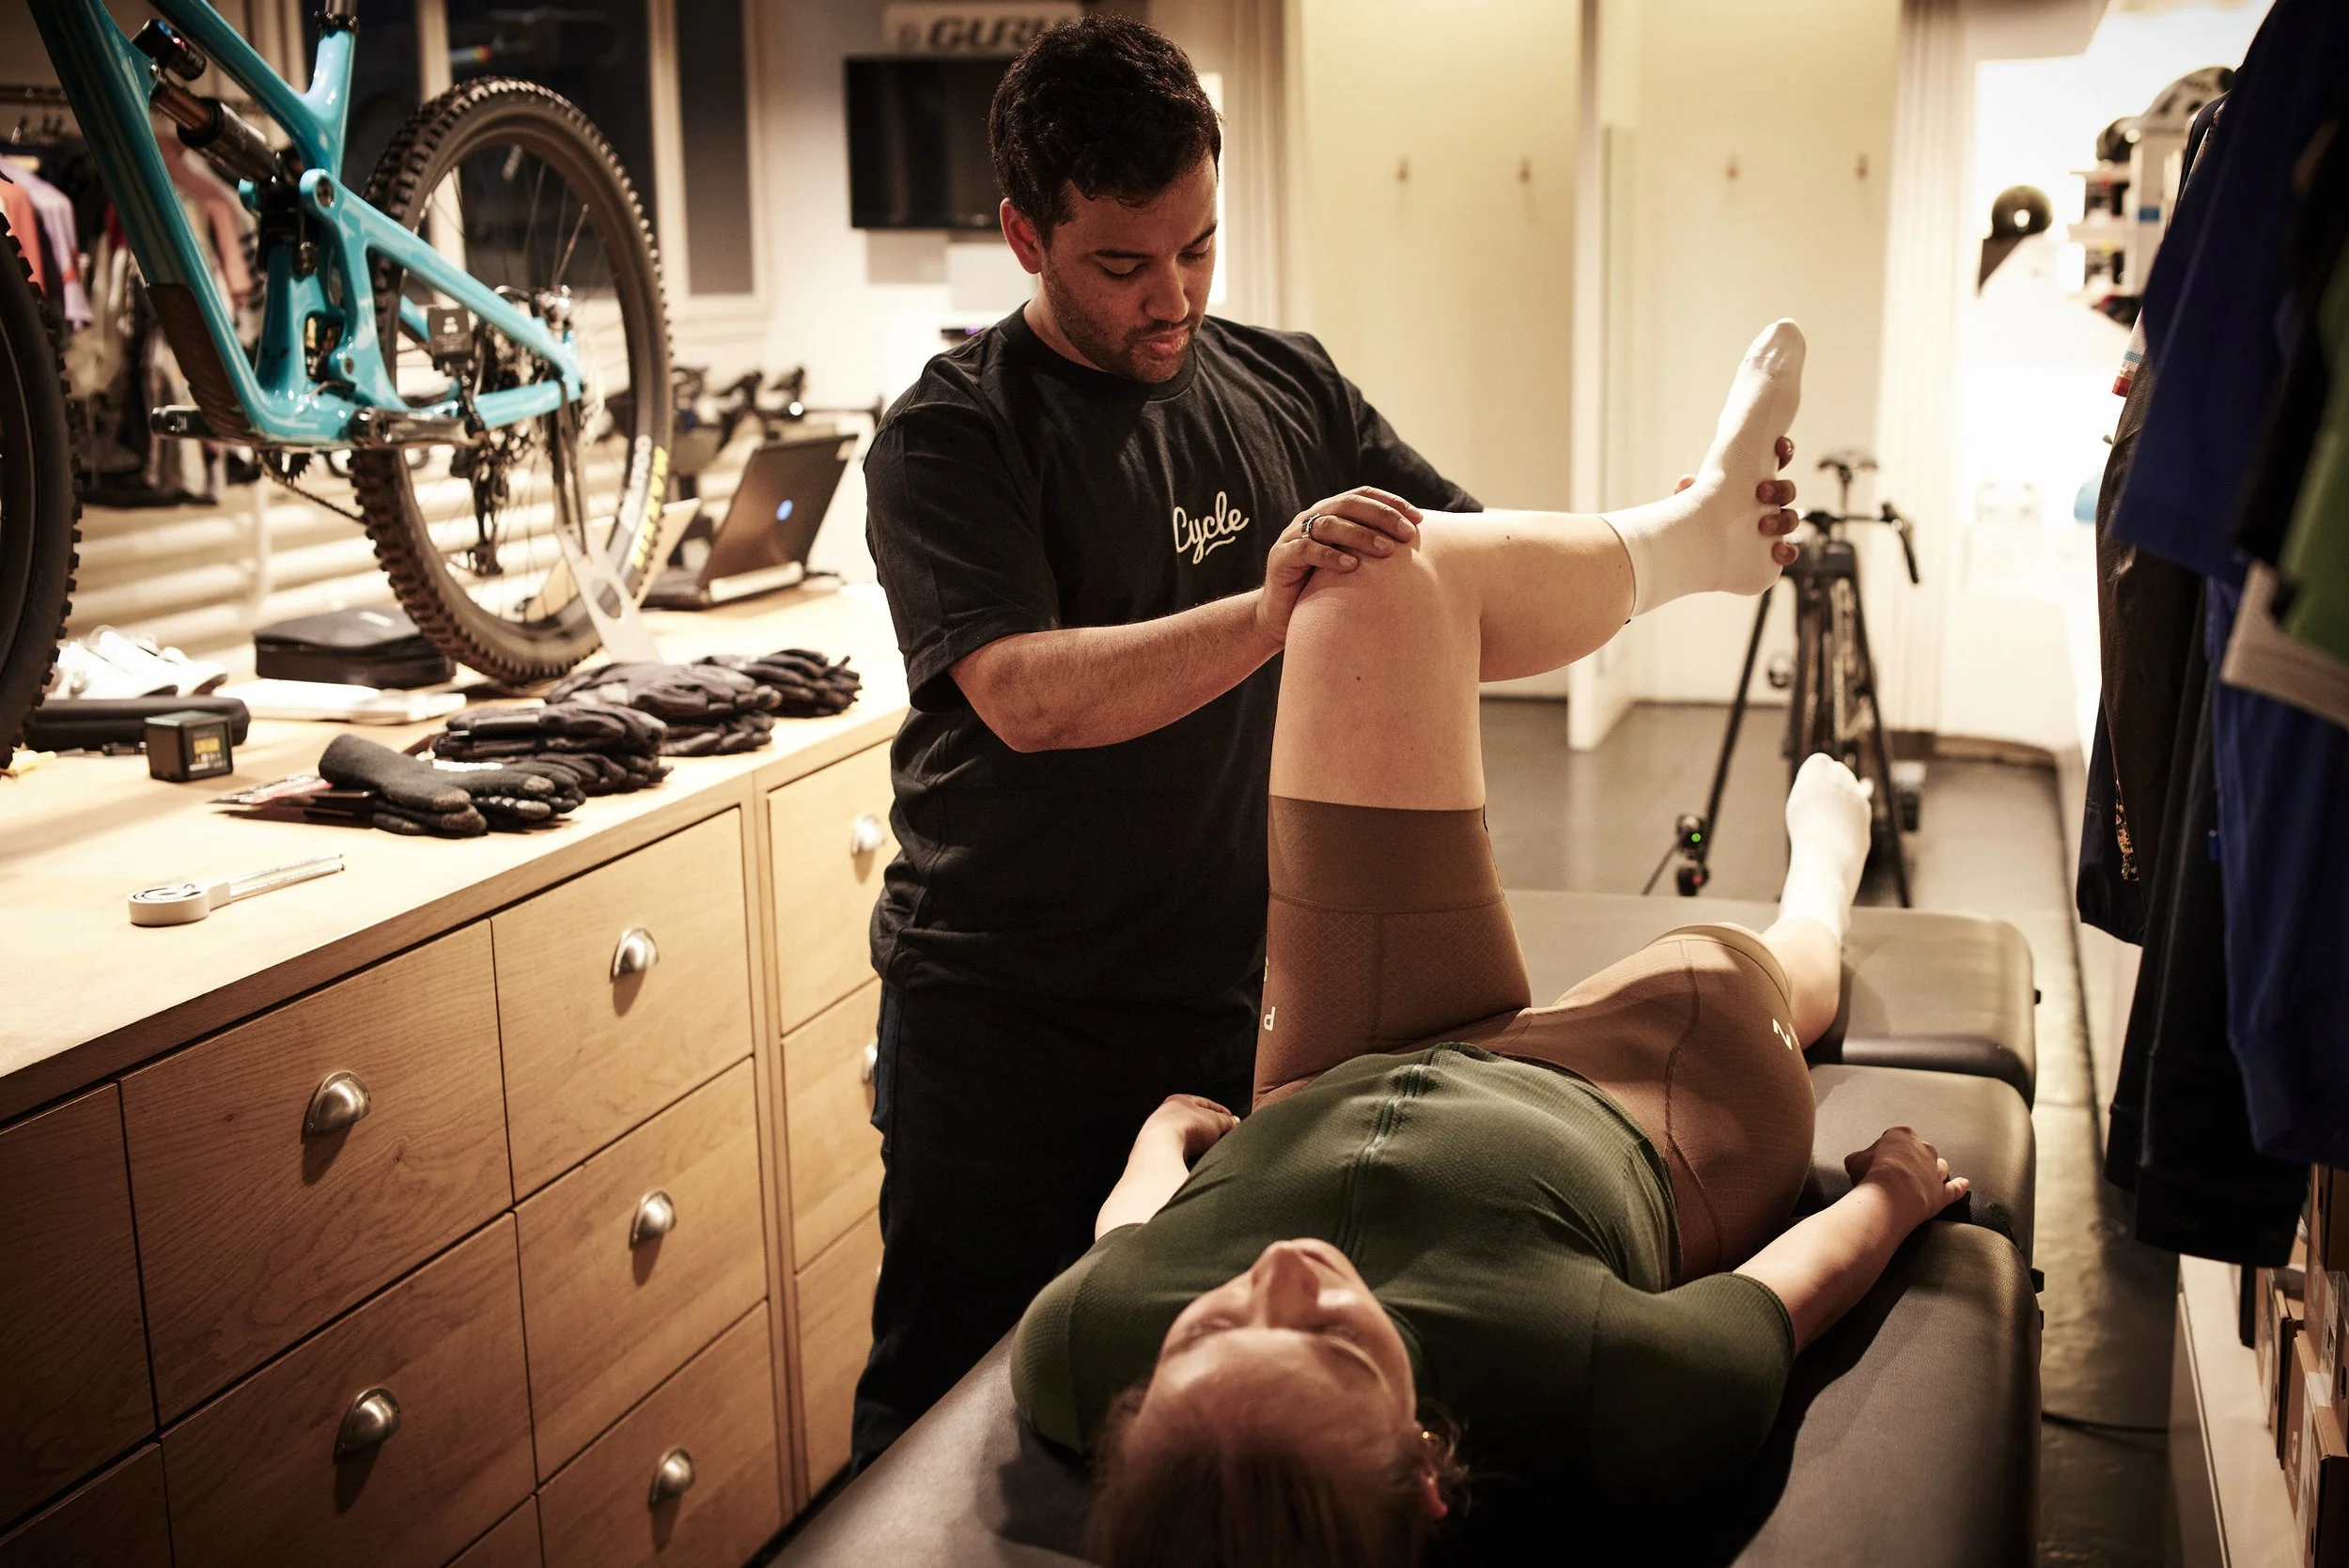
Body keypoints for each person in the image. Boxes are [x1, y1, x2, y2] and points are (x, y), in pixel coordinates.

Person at [1008, 321, 1972, 1568]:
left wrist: (1164, 1142)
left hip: (1328, 1072)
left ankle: (1700, 530)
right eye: (1332, 1342)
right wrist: (1895, 1188)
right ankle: (1821, 881)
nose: (1287, 1276)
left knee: (1368, 568)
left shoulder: (1077, 1354)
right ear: (1425, 1472)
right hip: (1631, 1105)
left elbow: (1121, 1253)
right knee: (1758, 969)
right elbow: (1796, 1286)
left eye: (1209, 1327)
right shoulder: (1622, 1394)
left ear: (1137, 1408)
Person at [853, 15, 1479, 1466]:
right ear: (1024, 233)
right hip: (1003, 1018)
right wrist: (1268, 610)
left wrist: (1676, 542)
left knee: (1188, 1390)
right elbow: (1027, 695)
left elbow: (1471, 555)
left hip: (1221, 999)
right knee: (953, 1400)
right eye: (1123, 265)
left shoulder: (1287, 384)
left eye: (1198, 247)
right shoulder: (953, 435)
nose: (1174, 295)